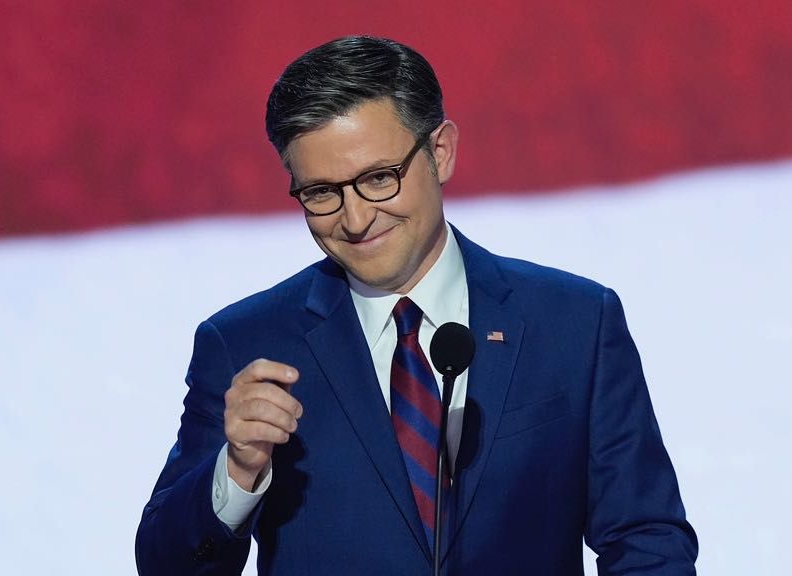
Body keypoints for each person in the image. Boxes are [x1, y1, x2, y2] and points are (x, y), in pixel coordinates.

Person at [136, 35, 697, 575]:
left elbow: (646, 541)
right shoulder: (244, 344)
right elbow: (164, 567)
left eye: (379, 179)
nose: (355, 221)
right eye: (321, 193)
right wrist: (237, 471)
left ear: (440, 151)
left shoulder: (575, 323)